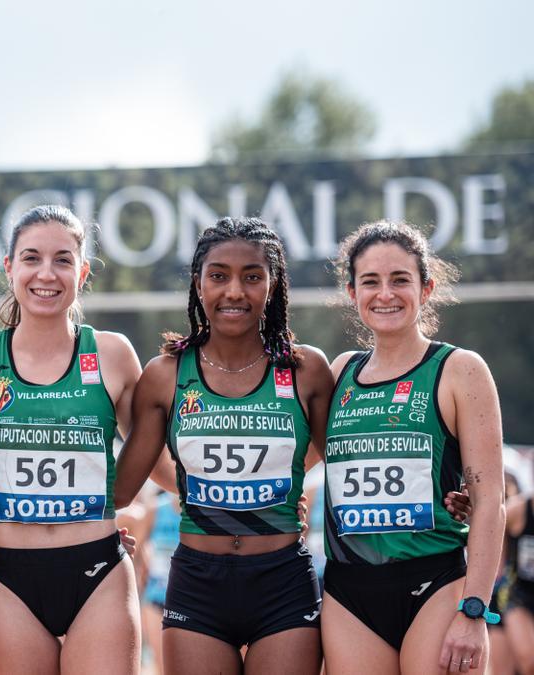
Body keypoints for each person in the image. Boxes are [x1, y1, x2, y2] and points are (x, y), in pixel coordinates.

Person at [114, 217, 331, 675]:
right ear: (198, 284)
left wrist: (283, 483)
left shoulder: (306, 370)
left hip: (283, 580)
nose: (234, 291)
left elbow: (342, 455)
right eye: (219, 276)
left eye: (252, 276)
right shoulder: (166, 374)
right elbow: (119, 490)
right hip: (198, 582)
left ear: (273, 285)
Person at [0, 205, 143, 674]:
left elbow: (166, 461)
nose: (46, 273)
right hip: (11, 577)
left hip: (98, 572)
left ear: (83, 271)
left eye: (62, 259)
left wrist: (272, 498)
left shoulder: (113, 354)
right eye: (31, 257)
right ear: (9, 267)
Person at [320, 221, 505, 674]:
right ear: (352, 292)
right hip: (349, 593)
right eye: (371, 281)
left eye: (400, 279)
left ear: (426, 288)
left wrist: (474, 609)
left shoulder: (460, 369)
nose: (386, 293)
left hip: (435, 585)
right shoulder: (340, 371)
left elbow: (490, 501)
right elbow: (289, 464)